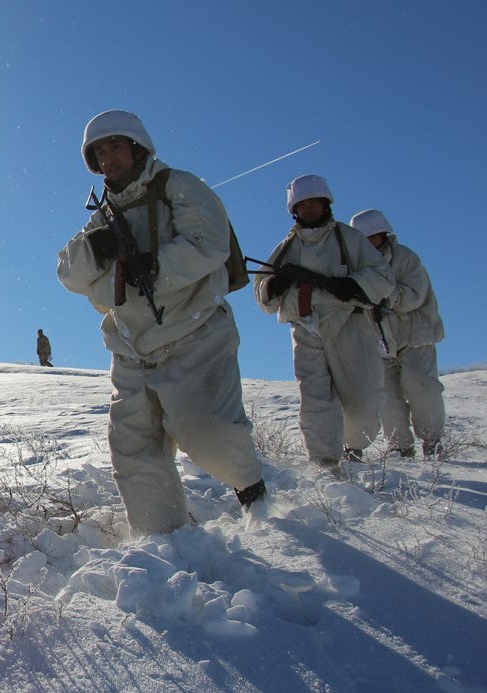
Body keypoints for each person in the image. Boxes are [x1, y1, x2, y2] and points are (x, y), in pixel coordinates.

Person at [56, 109, 266, 535]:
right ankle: (163, 540)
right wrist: (97, 250)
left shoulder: (181, 187)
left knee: (209, 437)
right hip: (131, 348)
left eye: (115, 146)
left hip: (196, 333)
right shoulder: (103, 216)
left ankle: (255, 496)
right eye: (100, 151)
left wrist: (155, 266)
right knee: (133, 449)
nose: (108, 157)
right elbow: (70, 275)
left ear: (137, 147)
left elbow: (210, 244)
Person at [252, 176, 395, 467]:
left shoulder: (350, 238)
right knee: (315, 400)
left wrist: (351, 286)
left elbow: (382, 277)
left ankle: (354, 447)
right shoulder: (286, 247)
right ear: (294, 210)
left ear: (325, 204)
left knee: (362, 399)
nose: (309, 210)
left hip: (348, 324)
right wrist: (275, 286)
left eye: (314, 203)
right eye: (302, 205)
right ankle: (325, 462)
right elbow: (262, 289)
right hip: (304, 327)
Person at [349, 209, 446, 459]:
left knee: (421, 385)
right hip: (380, 342)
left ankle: (432, 441)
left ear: (383, 235)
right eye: (364, 240)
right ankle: (400, 447)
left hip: (415, 336)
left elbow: (414, 294)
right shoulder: (356, 266)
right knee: (387, 397)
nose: (369, 243)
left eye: (373, 237)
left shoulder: (405, 258)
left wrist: (383, 296)